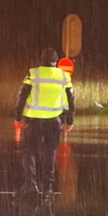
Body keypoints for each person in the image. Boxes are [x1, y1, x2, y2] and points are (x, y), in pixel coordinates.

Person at [14, 48, 75, 203]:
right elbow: (71, 98)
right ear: (56, 62)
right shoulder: (64, 76)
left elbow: (22, 94)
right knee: (50, 153)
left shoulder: (33, 74)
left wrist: (18, 117)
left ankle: (30, 186)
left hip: (34, 121)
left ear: (42, 60)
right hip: (54, 121)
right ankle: (47, 190)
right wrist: (69, 120)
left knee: (29, 153)